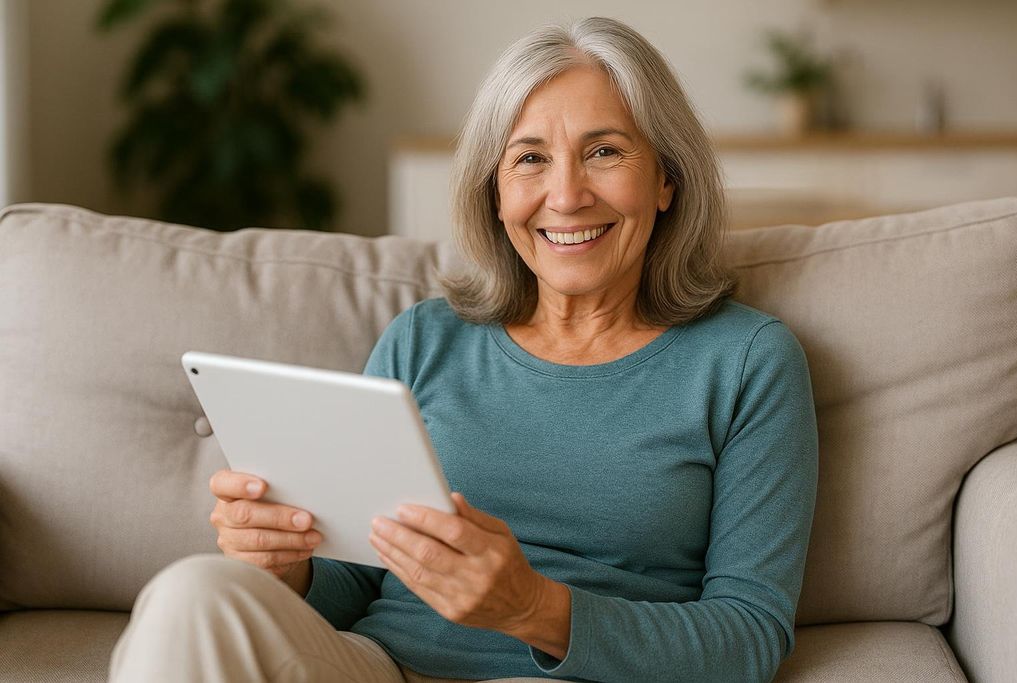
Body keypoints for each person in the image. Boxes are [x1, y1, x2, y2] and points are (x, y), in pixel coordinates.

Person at [109, 16, 817, 683]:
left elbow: (750, 635)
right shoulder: (424, 339)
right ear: (496, 193)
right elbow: (353, 583)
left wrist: (534, 609)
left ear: (666, 178)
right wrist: (286, 563)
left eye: (604, 152)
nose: (565, 195)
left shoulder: (746, 360)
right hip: (382, 665)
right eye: (530, 159)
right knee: (190, 592)